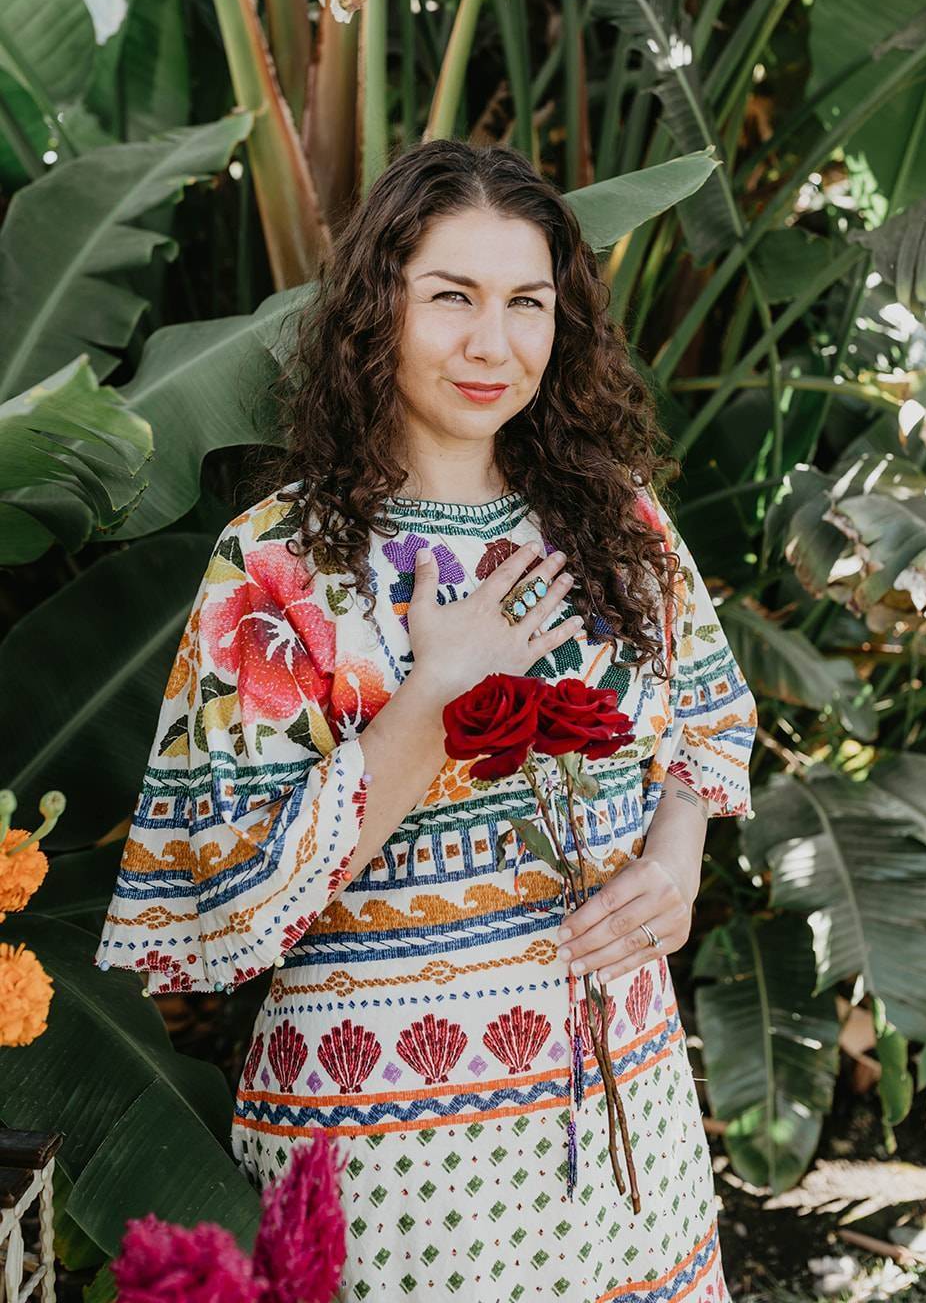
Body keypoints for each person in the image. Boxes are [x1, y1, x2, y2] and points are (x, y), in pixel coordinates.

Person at [95, 139, 757, 1303]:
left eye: (526, 303)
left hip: (621, 1105)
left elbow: (706, 717)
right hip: (390, 1147)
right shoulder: (279, 566)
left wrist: (675, 857)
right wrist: (433, 702)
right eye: (450, 297)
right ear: (375, 310)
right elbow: (237, 903)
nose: (491, 343)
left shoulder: (617, 521)